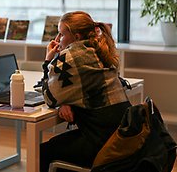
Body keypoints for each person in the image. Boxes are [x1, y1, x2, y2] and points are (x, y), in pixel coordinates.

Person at [39, 11, 131, 171]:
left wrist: (48, 60)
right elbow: (82, 88)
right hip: (122, 136)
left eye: (62, 34)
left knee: (43, 151)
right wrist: (67, 102)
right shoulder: (99, 50)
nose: (58, 40)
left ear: (77, 36)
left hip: (102, 143)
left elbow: (50, 98)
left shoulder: (67, 58)